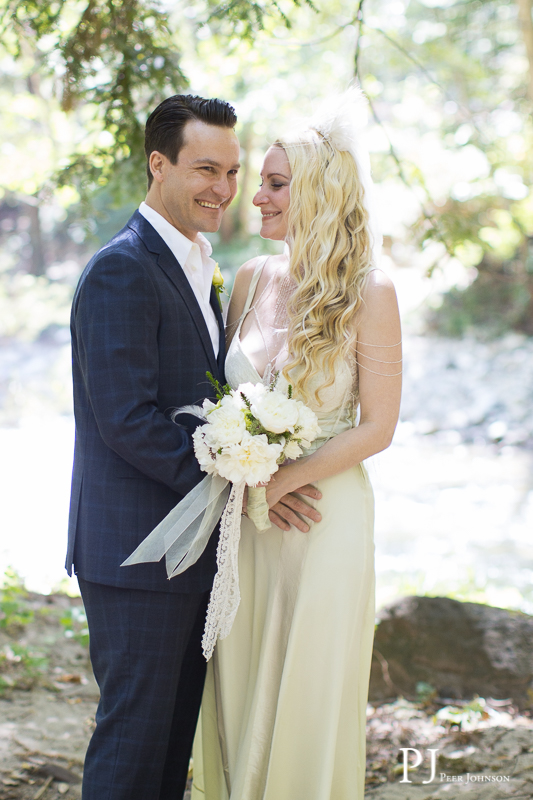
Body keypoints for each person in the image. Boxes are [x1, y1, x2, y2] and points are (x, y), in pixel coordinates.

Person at [66, 93, 321, 800]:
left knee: (170, 745)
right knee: (132, 746)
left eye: (234, 171)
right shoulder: (121, 268)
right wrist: (239, 484)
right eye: (206, 169)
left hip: (193, 550)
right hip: (136, 553)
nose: (225, 189)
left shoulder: (198, 264)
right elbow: (126, 419)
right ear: (159, 164)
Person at [192, 92, 402, 800]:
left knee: (306, 690)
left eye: (275, 183)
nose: (254, 197)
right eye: (262, 182)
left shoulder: (370, 292)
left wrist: (278, 485)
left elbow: (378, 425)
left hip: (321, 515)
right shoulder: (249, 279)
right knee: (241, 676)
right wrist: (248, 484)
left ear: (317, 187)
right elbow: (219, 400)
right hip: (246, 521)